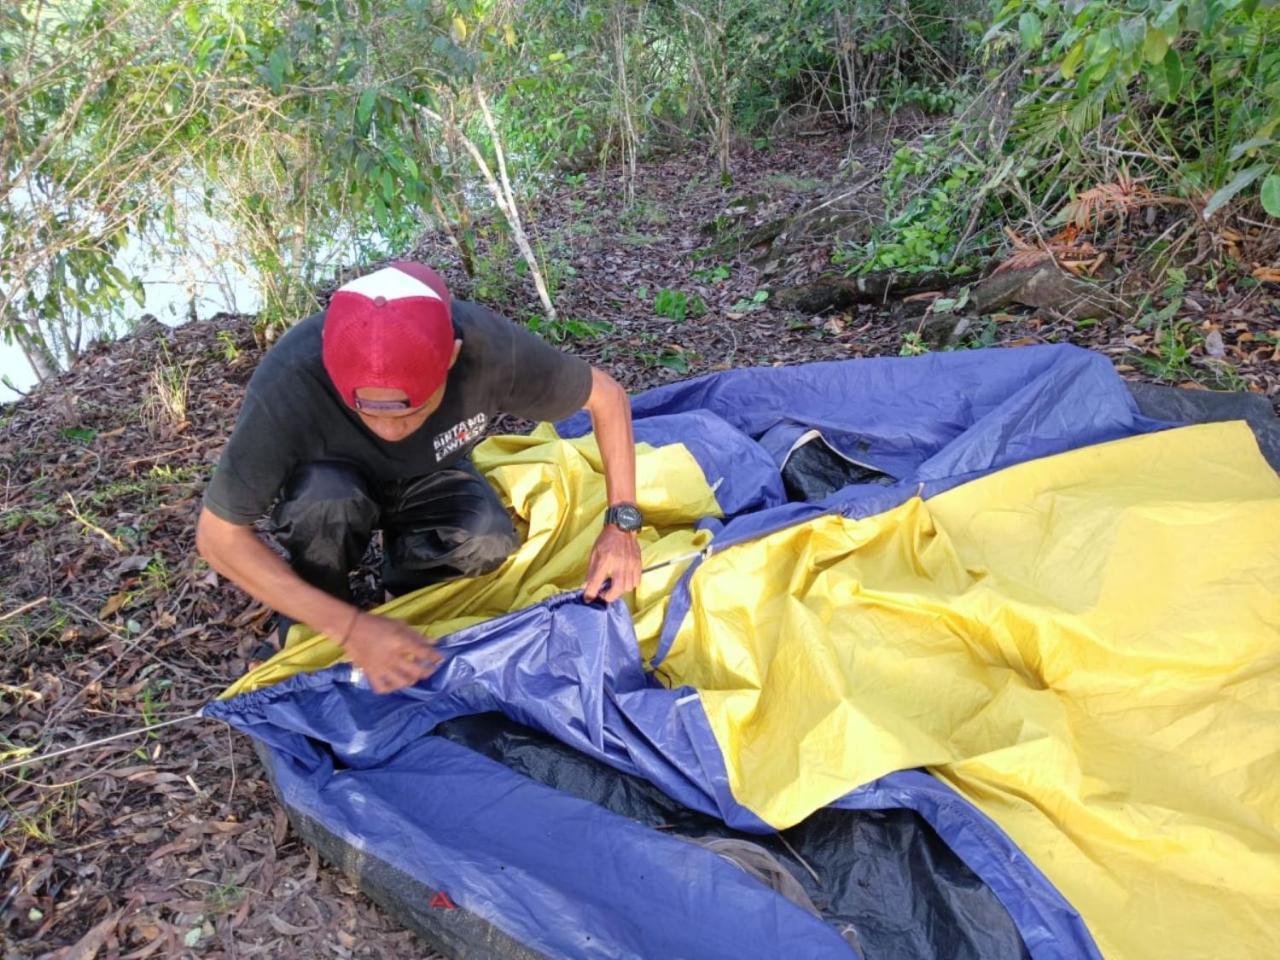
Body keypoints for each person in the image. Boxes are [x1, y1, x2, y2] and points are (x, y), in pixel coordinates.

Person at [195, 261, 644, 694]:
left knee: (486, 538)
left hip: (433, 471)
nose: (390, 431)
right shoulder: (292, 377)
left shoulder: (489, 350)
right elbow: (218, 537)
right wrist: (349, 628)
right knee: (324, 503)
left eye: (412, 411)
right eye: (368, 412)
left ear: (451, 358)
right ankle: (312, 621)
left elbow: (607, 397)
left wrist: (621, 524)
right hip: (334, 484)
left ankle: (407, 596)